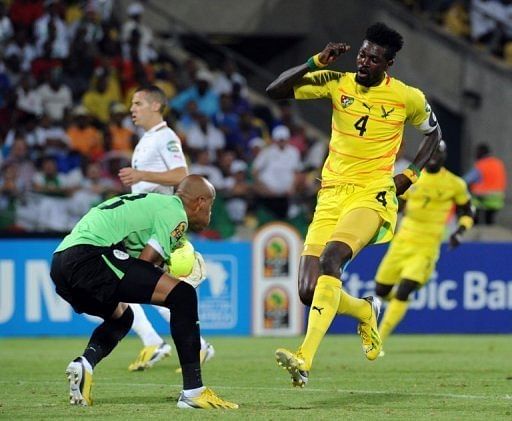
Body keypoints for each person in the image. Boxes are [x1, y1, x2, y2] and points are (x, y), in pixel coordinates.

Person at [266, 22, 442, 387]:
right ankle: (365, 310)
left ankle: (304, 358)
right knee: (306, 291)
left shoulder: (407, 97)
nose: (363, 62)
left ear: (388, 64)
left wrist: (410, 176)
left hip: (372, 193)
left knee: (333, 258)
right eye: (362, 54)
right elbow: (275, 90)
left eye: (373, 59)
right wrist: (314, 62)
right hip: (331, 193)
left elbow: (433, 133)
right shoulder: (337, 82)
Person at [50, 175, 238, 409]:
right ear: (200, 202)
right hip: (90, 257)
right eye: (210, 206)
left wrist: (164, 271)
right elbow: (147, 264)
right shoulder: (175, 212)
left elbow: (139, 267)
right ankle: (194, 393)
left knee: (122, 317)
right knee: (183, 296)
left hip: (61, 263)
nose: (210, 214)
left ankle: (84, 364)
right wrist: (174, 277)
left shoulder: (154, 205)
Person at [118, 85, 215, 371]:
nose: (132, 108)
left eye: (138, 103)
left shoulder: (166, 137)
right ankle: (177, 343)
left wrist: (141, 174)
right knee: (145, 286)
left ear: (156, 106)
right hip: (140, 222)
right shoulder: (147, 139)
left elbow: (182, 175)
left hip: (156, 223)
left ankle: (156, 341)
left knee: (124, 281)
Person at [374, 141, 473, 352]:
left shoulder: (455, 184)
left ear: (445, 156)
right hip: (402, 242)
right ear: (424, 154)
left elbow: (467, 210)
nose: (435, 155)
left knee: (404, 289)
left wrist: (460, 231)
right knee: (381, 290)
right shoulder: (411, 177)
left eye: (439, 152)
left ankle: (378, 339)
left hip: (427, 245)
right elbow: (397, 204)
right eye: (432, 151)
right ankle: (401, 302)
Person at [463, 143, 507, 225]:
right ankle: (489, 226)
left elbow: (465, 180)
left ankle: (473, 224)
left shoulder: (481, 165)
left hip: (483, 198)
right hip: (498, 198)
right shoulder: (498, 163)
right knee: (489, 219)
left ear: (480, 153)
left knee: (468, 201)